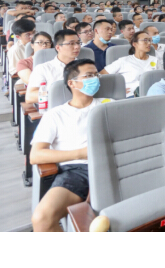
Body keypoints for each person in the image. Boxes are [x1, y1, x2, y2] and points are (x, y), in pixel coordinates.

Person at [30, 59, 114, 232]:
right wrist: (81, 153)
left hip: (114, 164)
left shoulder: (110, 104)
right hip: (77, 170)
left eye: (96, 75)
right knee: (42, 219)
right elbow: (36, 155)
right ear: (72, 83)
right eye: (89, 76)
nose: (95, 79)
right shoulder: (55, 115)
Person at [26, 29, 82, 105]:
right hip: (55, 108)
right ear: (58, 48)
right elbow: (30, 97)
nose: (77, 47)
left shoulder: (85, 67)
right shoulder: (43, 68)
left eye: (78, 43)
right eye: (71, 43)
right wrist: (58, 93)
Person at [101, 31, 158, 98]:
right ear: (135, 44)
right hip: (131, 96)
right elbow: (101, 75)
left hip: (151, 94)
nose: (149, 43)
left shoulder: (155, 60)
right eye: (145, 40)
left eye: (150, 40)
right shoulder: (123, 61)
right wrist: (116, 90)